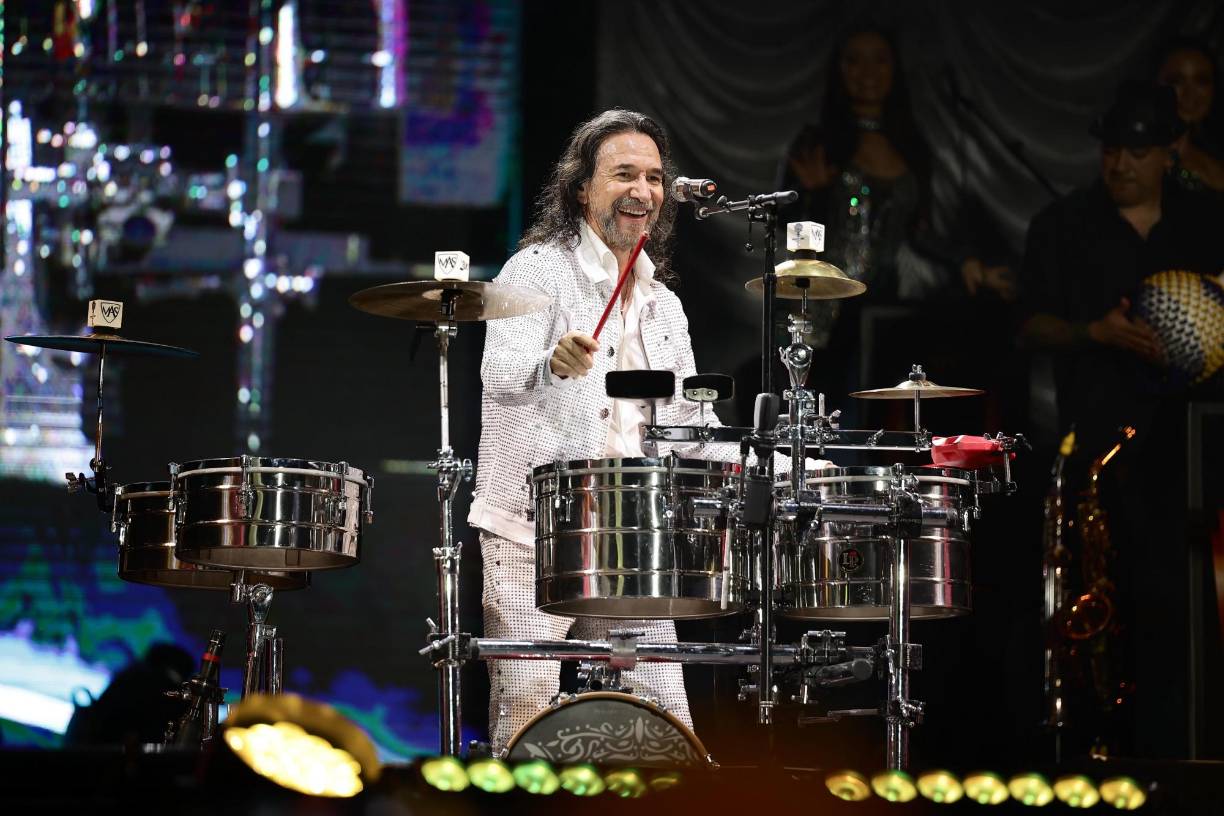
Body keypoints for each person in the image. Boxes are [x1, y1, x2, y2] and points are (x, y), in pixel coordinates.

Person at [468, 109, 729, 752]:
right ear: (581, 187)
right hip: (534, 530)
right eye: (623, 175)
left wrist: (778, 466)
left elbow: (691, 428)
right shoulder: (534, 271)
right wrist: (551, 360)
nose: (643, 191)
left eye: (655, 177)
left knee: (663, 718)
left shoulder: (663, 304)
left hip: (628, 537)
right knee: (525, 715)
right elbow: (500, 374)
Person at [1019, 81, 1224, 758]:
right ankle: (1093, 759)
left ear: (1169, 152)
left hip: (1192, 456)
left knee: (1184, 618)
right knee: (1097, 622)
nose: (1121, 164)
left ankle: (1183, 760)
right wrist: (1092, 332)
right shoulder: (1062, 226)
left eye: (1137, 150)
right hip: (1097, 449)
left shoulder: (1206, 221)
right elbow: (1027, 326)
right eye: (1111, 149)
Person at [1155, 36, 1224, 194]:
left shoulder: (1215, 148)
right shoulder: (1136, 157)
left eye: (1201, 81)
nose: (1190, 94)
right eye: (1176, 81)